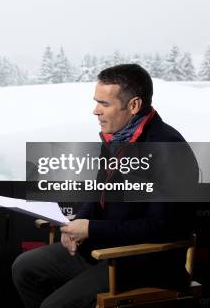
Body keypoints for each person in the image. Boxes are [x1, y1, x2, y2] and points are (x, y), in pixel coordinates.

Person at [12, 63, 197, 308]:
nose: (95, 111)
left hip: (145, 262)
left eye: (104, 104)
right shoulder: (116, 138)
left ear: (133, 106)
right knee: (25, 267)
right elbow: (99, 194)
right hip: (104, 249)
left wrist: (91, 229)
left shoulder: (168, 149)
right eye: (96, 101)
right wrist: (75, 226)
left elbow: (161, 228)